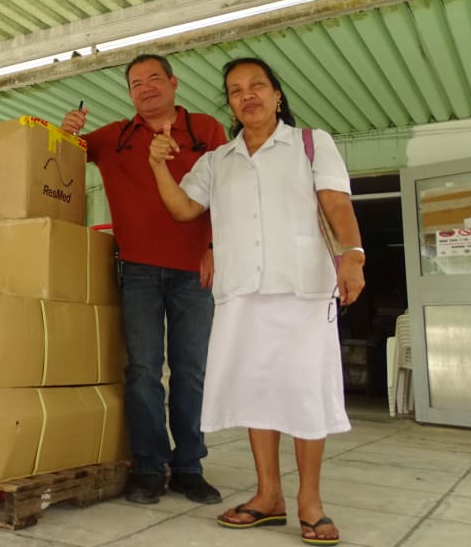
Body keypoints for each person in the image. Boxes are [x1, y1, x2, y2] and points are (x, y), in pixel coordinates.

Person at [148, 57, 364, 546]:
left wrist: (353, 255)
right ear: (229, 102)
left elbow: (336, 203)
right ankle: (269, 496)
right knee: (256, 391)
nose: (248, 96)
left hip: (302, 286)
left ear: (276, 95)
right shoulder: (217, 161)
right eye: (236, 90)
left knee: (305, 390)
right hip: (243, 290)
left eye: (257, 86)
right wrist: (158, 165)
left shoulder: (311, 144)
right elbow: (183, 209)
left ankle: (310, 501)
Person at [61, 54, 227, 505]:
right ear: (130, 94)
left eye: (155, 78)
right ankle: (150, 467)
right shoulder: (115, 137)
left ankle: (189, 466)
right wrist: (68, 130)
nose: (146, 87)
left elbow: (227, 192)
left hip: (194, 269)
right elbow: (59, 150)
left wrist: (213, 248)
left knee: (191, 371)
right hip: (136, 268)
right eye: (136, 82)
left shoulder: (206, 129)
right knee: (143, 371)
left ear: (173, 82)